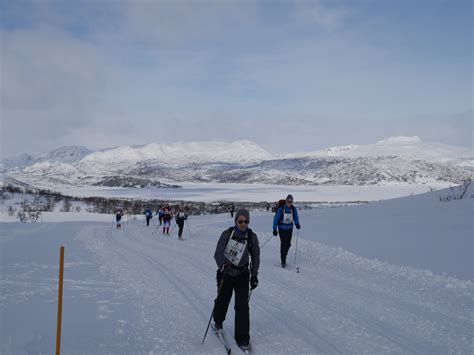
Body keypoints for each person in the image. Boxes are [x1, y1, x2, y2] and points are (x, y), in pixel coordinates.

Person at [213, 209, 260, 349]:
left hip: (242, 274)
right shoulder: (227, 233)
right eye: (240, 221)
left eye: (246, 221)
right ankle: (218, 321)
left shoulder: (252, 237)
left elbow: (256, 257)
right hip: (226, 273)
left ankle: (242, 337)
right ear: (236, 222)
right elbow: (218, 253)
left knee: (242, 306)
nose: (243, 224)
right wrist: (223, 266)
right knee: (222, 300)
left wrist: (254, 275)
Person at [272, 194, 301, 268]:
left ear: (292, 202)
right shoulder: (281, 209)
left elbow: (296, 217)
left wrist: (297, 224)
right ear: (286, 201)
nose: (289, 203)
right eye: (288, 201)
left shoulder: (293, 209)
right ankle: (283, 260)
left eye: (291, 202)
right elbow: (276, 219)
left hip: (289, 228)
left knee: (288, 244)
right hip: (281, 228)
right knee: (283, 243)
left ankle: (284, 255)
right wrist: (274, 229)